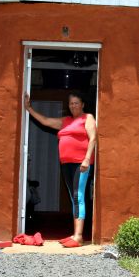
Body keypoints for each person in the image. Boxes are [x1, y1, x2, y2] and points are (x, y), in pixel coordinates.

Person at [24, 91, 97, 248]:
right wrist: (29, 108)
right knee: (73, 198)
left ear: (83, 104)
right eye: (71, 103)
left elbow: (93, 138)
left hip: (81, 163)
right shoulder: (66, 121)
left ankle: (78, 236)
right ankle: (75, 234)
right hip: (66, 163)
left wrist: (86, 158)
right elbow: (45, 121)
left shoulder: (87, 118)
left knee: (78, 196)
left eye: (76, 103)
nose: (73, 106)